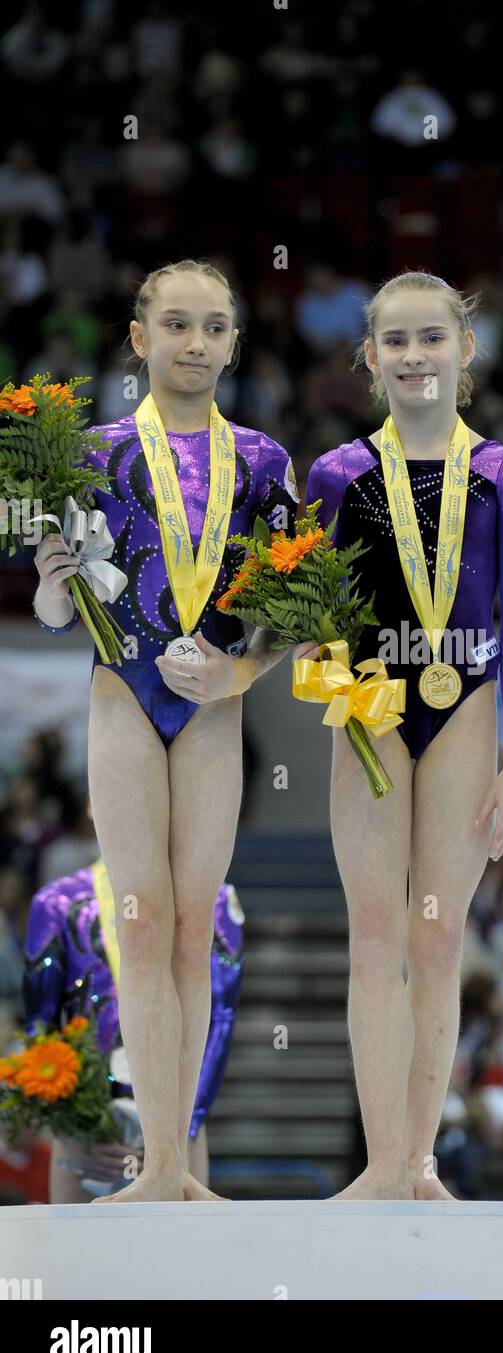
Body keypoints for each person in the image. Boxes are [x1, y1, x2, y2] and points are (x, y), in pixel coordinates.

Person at [32, 258, 316, 1202]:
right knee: (142, 921)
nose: (195, 343)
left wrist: (241, 670)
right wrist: (47, 583)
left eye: (214, 327)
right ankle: (157, 1167)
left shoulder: (266, 462)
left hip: (213, 711)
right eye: (178, 324)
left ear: (234, 342)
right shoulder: (88, 451)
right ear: (139, 336)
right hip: (121, 695)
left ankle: (173, 1164)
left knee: (194, 930)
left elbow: (301, 608)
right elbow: (64, 613)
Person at [304, 271, 503, 1199]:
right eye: (395, 342)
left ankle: (419, 1161)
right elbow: (312, 605)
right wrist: (324, 669)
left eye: (430, 339)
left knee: (438, 938)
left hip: (469, 700)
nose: (413, 357)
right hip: (368, 707)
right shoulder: (335, 473)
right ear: (370, 358)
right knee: (374, 933)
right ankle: (378, 1164)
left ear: (465, 349)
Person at [22, 857, 244, 1202]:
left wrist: (177, 1137)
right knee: (80, 1250)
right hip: (86, 1133)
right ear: (91, 806)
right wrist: (72, 1131)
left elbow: (221, 1020)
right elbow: (40, 1026)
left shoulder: (213, 899)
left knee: (182, 1249)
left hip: (182, 1123)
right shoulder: (57, 902)